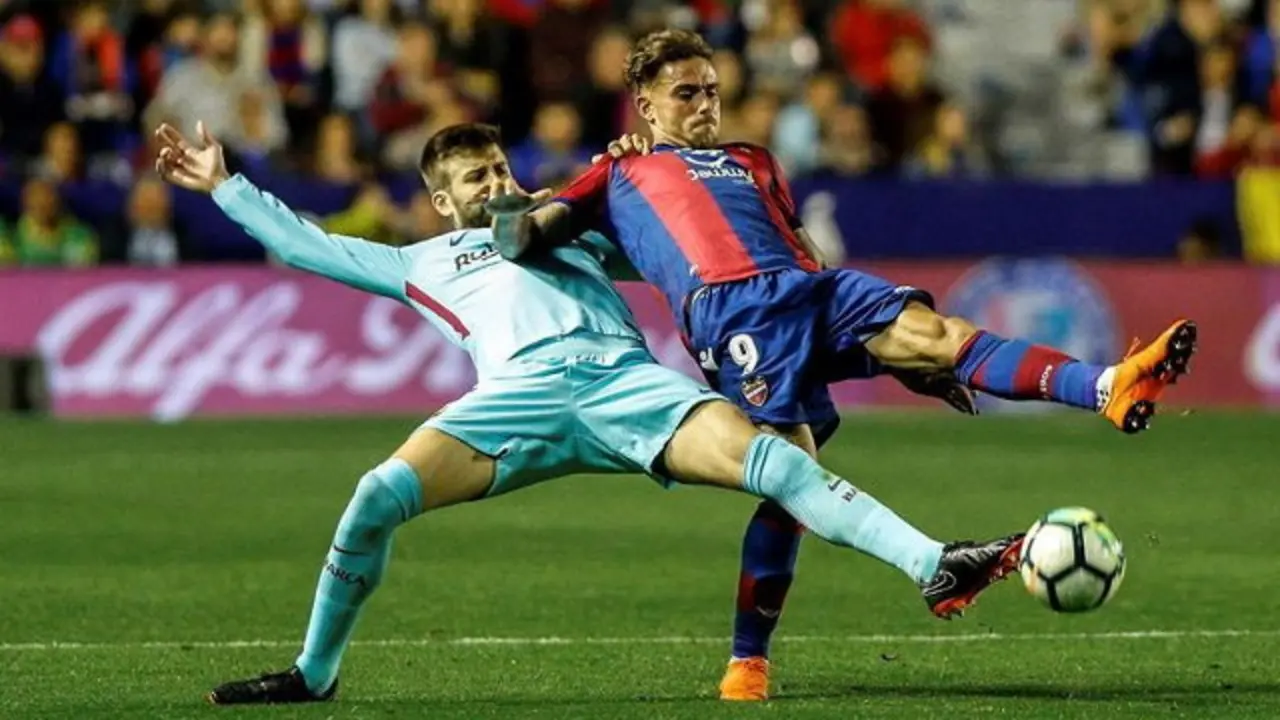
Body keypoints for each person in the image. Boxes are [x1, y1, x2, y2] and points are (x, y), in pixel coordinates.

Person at [153, 120, 1024, 705]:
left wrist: (640, 169)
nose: (495, 180)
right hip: (512, 400)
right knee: (376, 494)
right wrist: (225, 183)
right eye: (473, 178)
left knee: (779, 462)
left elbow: (691, 247)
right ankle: (315, 674)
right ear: (446, 202)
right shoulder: (418, 260)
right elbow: (305, 243)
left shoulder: (568, 225)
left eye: (498, 166)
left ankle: (935, 564)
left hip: (624, 384)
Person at [516, 28, 1199, 701]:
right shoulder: (618, 172)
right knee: (792, 480)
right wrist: (501, 210)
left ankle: (1108, 385)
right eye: (686, 94)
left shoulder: (754, 160)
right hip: (736, 315)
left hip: (812, 288)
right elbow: (528, 235)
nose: (704, 105)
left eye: (712, 91)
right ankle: (748, 662)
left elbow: (806, 251)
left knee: (939, 337)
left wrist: (895, 361)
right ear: (646, 105)